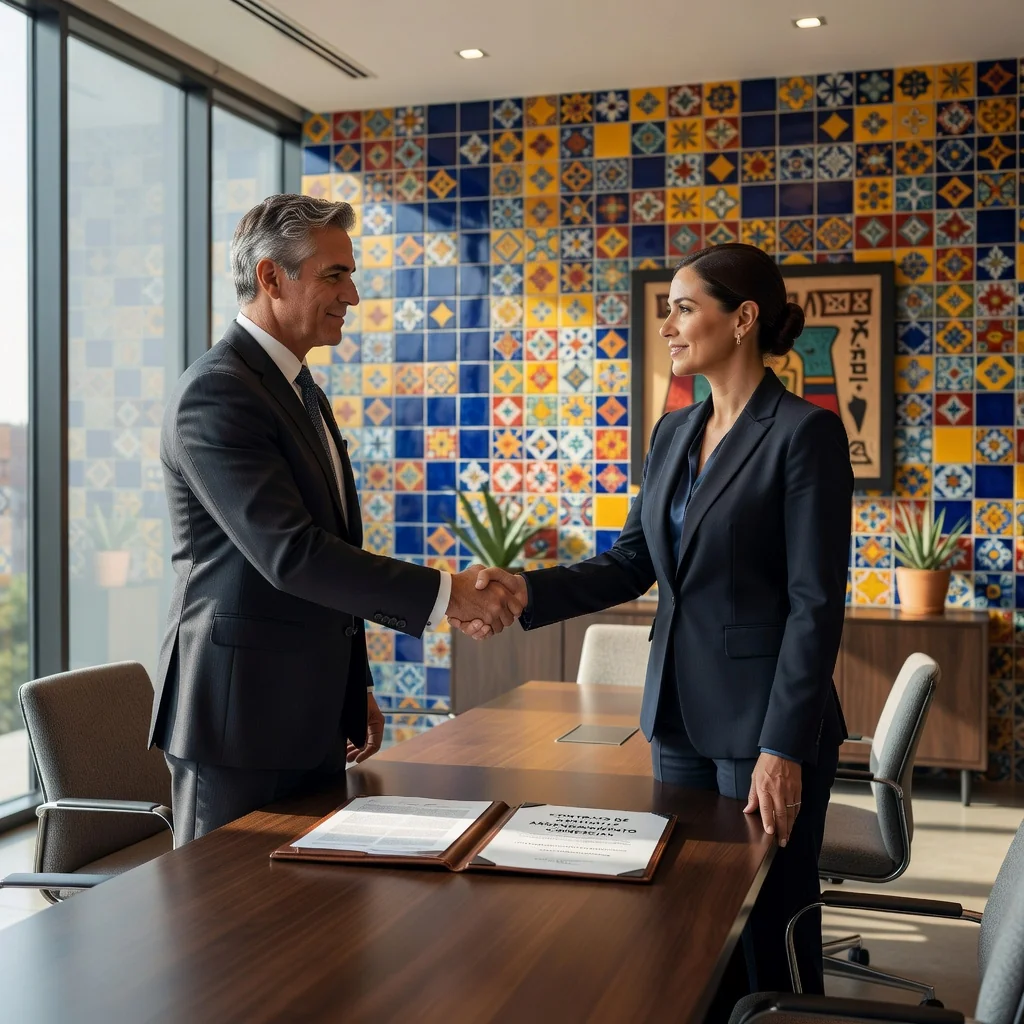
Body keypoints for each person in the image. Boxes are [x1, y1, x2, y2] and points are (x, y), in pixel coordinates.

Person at [452, 243, 853, 996]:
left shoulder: (805, 434)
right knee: (687, 921)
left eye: (683, 307)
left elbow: (815, 604)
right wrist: (526, 590)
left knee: (769, 924)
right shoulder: (673, 433)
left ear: (743, 319)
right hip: (673, 716)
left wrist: (781, 745)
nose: (667, 324)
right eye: (666, 307)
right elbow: (632, 560)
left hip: (763, 726)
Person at [150, 194, 522, 844]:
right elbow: (292, 554)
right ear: (271, 277)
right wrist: (448, 593)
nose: (352, 295)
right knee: (224, 935)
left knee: (311, 929)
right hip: (239, 726)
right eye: (334, 274)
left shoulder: (301, 390)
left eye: (349, 275)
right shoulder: (217, 393)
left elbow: (327, 549)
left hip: (308, 717)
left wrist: (355, 689)